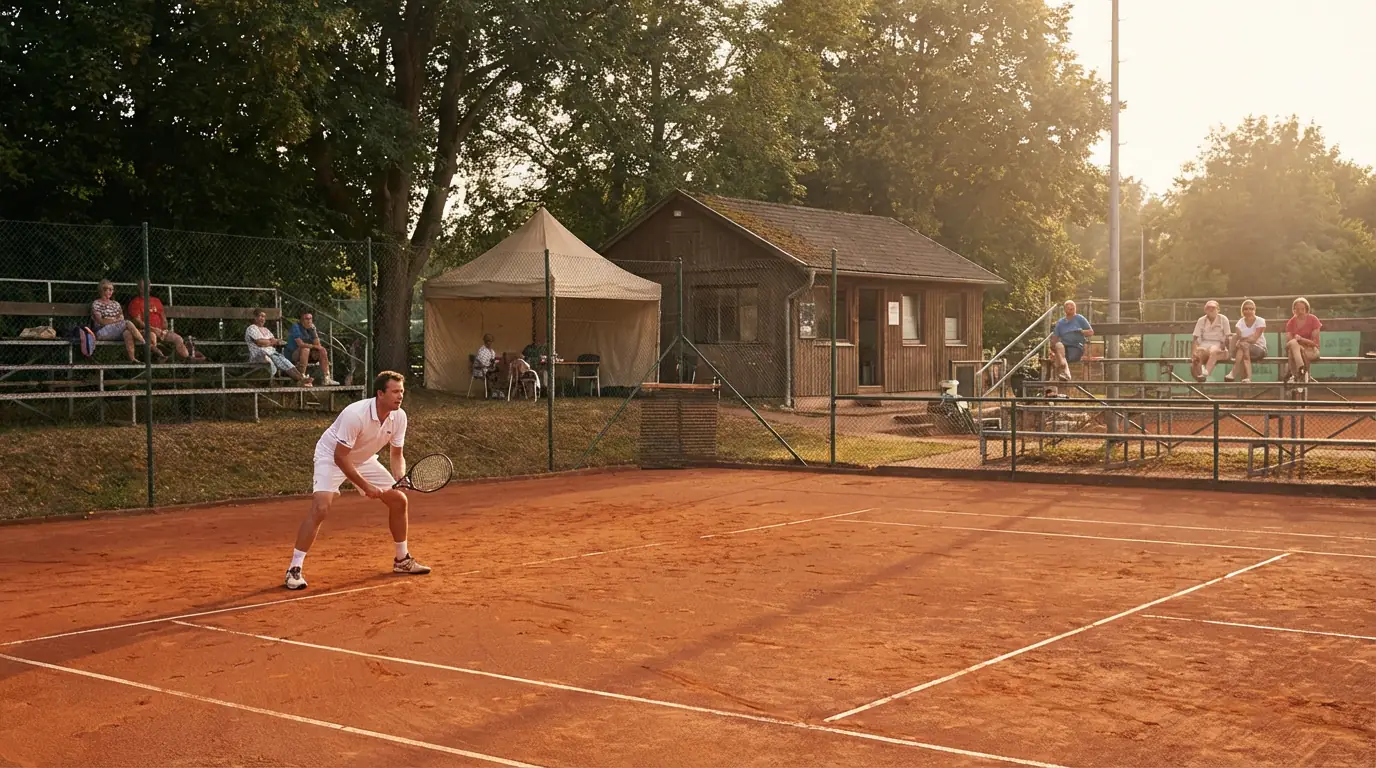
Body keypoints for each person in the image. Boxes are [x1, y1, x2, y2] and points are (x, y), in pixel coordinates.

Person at [283, 371, 430, 590]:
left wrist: (400, 476)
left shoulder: (399, 417)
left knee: (398, 500)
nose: (400, 396)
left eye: (402, 392)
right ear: (380, 393)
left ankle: (402, 560)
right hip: (331, 457)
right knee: (321, 508)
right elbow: (340, 457)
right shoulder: (356, 414)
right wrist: (365, 486)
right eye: (395, 392)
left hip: (363, 458)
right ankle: (294, 569)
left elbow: (396, 454)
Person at [125, 280, 203, 361]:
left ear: (150, 288)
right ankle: (159, 357)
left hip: (161, 331)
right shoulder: (135, 302)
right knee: (152, 336)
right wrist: (154, 329)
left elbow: (163, 318)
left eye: (147, 286)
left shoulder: (156, 301)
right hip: (147, 331)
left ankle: (188, 359)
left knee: (178, 338)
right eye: (142, 287)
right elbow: (139, 322)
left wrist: (164, 328)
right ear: (139, 288)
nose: (145, 288)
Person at [245, 309, 312, 386]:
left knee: (286, 362)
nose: (262, 318)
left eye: (264, 317)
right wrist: (272, 342)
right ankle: (301, 380)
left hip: (272, 353)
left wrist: (273, 341)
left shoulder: (266, 330)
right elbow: (260, 342)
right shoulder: (252, 328)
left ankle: (302, 379)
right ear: (255, 317)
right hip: (259, 354)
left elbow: (274, 341)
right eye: (260, 316)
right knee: (279, 360)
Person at [91, 279, 152, 362]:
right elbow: (101, 321)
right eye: (107, 289)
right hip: (102, 331)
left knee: (127, 333)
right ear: (101, 290)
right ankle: (145, 344)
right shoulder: (96, 303)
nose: (110, 291)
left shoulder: (116, 304)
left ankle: (132, 359)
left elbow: (121, 318)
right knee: (127, 323)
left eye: (111, 289)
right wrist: (116, 320)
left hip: (116, 331)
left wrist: (111, 320)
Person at [286, 312, 339, 386]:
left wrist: (314, 331)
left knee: (322, 350)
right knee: (305, 349)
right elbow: (300, 344)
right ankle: (302, 377)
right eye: (306, 319)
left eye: (310, 318)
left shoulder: (311, 328)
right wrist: (314, 346)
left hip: (308, 354)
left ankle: (327, 378)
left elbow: (318, 345)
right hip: (293, 354)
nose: (309, 321)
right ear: (301, 320)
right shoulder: (296, 327)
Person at [1049, 300, 1093, 382]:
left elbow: (1091, 332)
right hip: (1064, 347)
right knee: (1058, 345)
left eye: (1073, 308)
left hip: (1076, 347)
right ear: (1065, 310)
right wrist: (1052, 349)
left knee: (1059, 357)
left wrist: (1081, 331)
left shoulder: (1080, 318)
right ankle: (1065, 374)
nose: (1071, 310)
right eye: (1069, 308)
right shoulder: (1060, 322)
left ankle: (1059, 375)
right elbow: (1054, 338)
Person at [1226, 299, 1266, 383]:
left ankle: (1234, 372)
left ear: (1254, 310)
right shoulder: (1239, 323)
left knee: (1243, 346)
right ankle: (1247, 378)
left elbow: (1254, 339)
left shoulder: (1260, 321)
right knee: (1243, 347)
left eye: (1251, 309)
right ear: (1242, 311)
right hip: (1244, 349)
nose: (1248, 311)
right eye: (1246, 309)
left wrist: (1243, 340)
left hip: (1259, 349)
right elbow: (1238, 337)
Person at [1191, 300, 1231, 382]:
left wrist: (1224, 346)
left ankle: (1205, 374)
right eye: (1208, 308)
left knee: (1213, 350)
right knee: (1198, 353)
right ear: (1205, 310)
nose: (1211, 309)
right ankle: (1200, 375)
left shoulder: (1223, 319)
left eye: (1213, 308)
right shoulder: (1201, 320)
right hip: (1204, 346)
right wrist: (1195, 351)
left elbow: (1228, 337)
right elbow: (1195, 338)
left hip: (1219, 346)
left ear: (1218, 309)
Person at [1285, 297, 1322, 384]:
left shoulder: (1313, 320)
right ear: (1293, 310)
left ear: (1307, 309)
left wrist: (1301, 339)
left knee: (1292, 351)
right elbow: (1289, 341)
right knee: (1293, 344)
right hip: (1296, 348)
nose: (1300, 311)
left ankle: (1293, 374)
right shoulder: (1291, 322)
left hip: (1311, 350)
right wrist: (1298, 343)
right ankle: (1302, 370)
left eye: (1302, 309)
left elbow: (1315, 343)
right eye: (1297, 309)